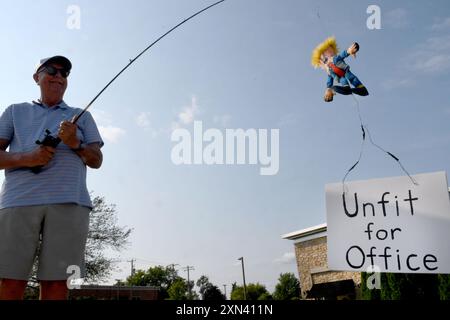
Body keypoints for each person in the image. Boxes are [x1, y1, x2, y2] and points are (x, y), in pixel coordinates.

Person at [0, 55, 104, 300]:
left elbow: (96, 160)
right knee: (10, 281)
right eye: (51, 71)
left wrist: (75, 143)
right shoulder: (15, 111)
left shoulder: (81, 116)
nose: (59, 77)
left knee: (58, 285)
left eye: (64, 73)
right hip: (18, 203)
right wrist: (27, 158)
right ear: (37, 77)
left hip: (70, 203)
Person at [311, 37, 369, 102]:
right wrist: (328, 89)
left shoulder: (335, 59)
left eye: (326, 56)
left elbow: (342, 55)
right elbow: (329, 80)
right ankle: (346, 88)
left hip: (346, 71)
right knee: (343, 80)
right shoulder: (329, 71)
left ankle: (361, 88)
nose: (326, 59)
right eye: (324, 59)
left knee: (353, 78)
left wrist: (348, 51)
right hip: (340, 77)